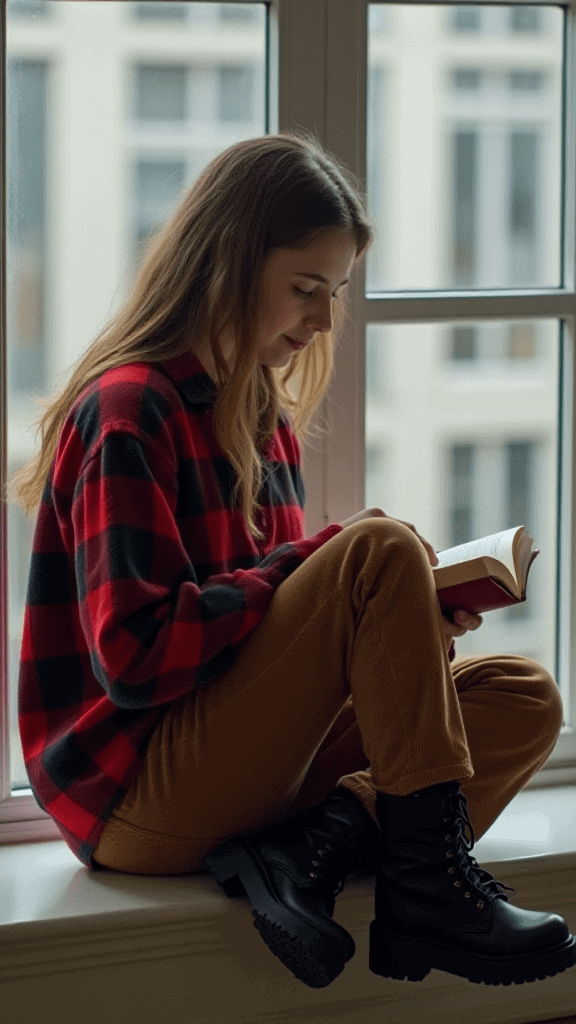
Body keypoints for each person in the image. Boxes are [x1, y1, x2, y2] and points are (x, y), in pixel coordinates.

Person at [7, 129, 575, 992]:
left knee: (523, 699)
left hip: (241, 773)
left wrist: (408, 628)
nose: (322, 321)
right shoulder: (129, 412)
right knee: (373, 545)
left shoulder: (262, 420)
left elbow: (266, 647)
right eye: (305, 290)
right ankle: (425, 892)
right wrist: (328, 565)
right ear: (224, 266)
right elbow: (135, 658)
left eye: (334, 293)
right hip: (136, 796)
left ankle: (304, 853)